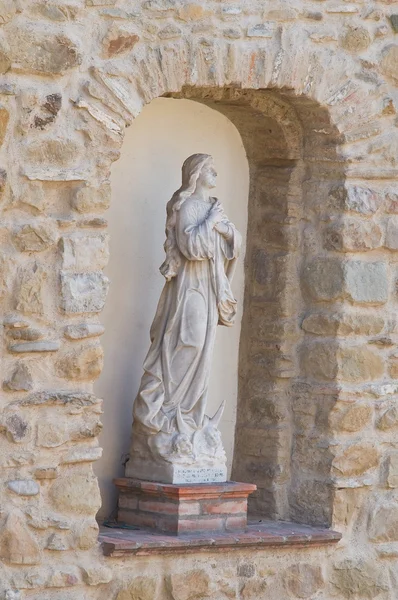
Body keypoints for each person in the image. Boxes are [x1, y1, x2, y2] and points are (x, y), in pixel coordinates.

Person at [128, 153, 241, 473]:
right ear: (195, 174)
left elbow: (232, 242)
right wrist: (211, 223)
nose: (216, 173)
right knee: (185, 342)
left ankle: (189, 417)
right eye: (209, 169)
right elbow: (192, 247)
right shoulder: (190, 207)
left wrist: (227, 230)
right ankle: (167, 410)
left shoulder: (214, 207)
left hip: (210, 288)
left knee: (203, 350)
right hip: (190, 287)